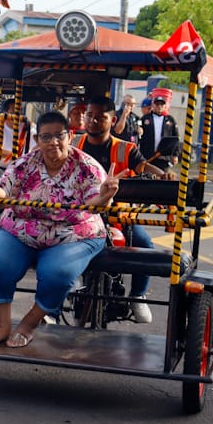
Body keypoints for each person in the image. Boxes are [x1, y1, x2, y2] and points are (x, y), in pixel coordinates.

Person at [0, 111, 127, 348]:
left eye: (59, 135)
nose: (53, 142)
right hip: (22, 228)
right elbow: (3, 197)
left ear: (71, 135)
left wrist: (106, 196)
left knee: (57, 273)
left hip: (73, 233)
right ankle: (2, 325)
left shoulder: (87, 167)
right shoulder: (24, 164)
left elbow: (96, 205)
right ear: (37, 140)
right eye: (46, 137)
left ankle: (28, 324)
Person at [75, 95, 176, 323]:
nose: (93, 121)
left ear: (113, 120)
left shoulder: (124, 149)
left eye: (101, 117)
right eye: (90, 116)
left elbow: (143, 166)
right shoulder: (73, 144)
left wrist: (164, 175)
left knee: (146, 246)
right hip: (80, 214)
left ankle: (137, 296)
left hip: (118, 217)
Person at [0, 98, 32, 168]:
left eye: (19, 113)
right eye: (13, 113)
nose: (16, 116)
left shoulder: (27, 128)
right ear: (6, 114)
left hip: (20, 168)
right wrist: (14, 155)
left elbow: (37, 146)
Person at [139, 89, 180, 171]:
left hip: (163, 157)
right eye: (157, 104)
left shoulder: (170, 120)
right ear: (153, 105)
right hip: (148, 156)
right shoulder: (145, 119)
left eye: (162, 104)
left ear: (165, 106)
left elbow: (175, 138)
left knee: (163, 177)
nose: (159, 106)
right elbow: (138, 135)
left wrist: (175, 154)